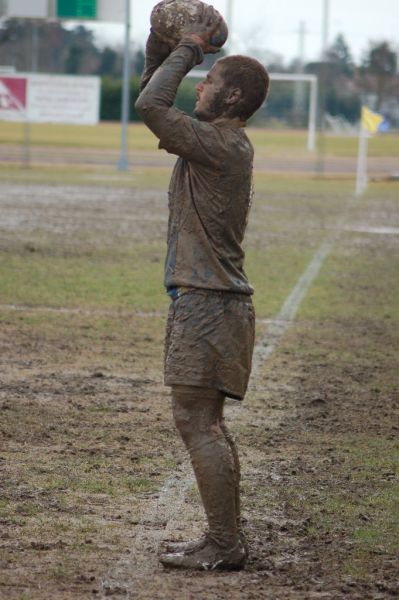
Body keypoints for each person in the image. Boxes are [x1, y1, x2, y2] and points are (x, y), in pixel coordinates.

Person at [135, 5, 269, 571]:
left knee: (197, 422)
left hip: (210, 305)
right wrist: (158, 43)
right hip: (211, 302)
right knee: (203, 421)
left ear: (232, 98)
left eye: (209, 80)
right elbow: (152, 93)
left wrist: (188, 45)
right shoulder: (212, 138)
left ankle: (224, 543)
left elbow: (149, 106)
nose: (200, 85)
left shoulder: (222, 145)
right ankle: (225, 539)